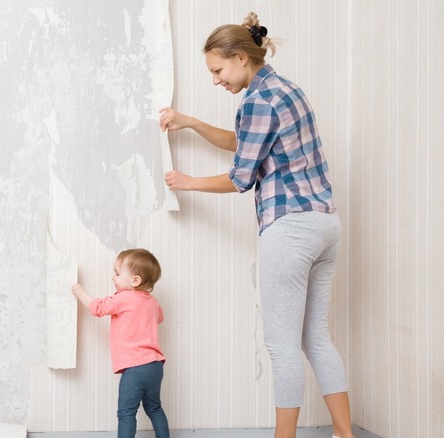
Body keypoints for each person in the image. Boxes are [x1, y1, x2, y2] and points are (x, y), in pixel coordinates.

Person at [158, 12, 353, 438]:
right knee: (316, 339)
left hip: (290, 229)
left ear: (242, 58)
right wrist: (190, 121)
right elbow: (245, 141)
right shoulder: (285, 89)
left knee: (282, 345)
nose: (215, 80)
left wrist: (188, 182)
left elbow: (240, 177)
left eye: (217, 69)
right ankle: (346, 435)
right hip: (325, 226)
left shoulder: (257, 101)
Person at [71, 248, 170, 438]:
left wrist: (78, 291)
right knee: (154, 407)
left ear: (135, 281)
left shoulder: (122, 298)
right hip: (156, 365)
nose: (113, 277)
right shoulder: (153, 302)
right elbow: (159, 318)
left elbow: (97, 308)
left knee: (126, 412)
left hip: (136, 367)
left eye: (117, 273)